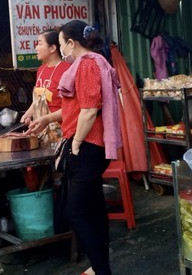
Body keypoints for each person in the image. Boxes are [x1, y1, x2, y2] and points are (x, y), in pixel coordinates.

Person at [27, 20, 122, 275]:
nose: (60, 48)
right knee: (93, 208)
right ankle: (98, 267)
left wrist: (76, 143)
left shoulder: (88, 63)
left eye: (60, 44)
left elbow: (90, 110)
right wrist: (46, 119)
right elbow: (75, 108)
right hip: (90, 146)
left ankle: (102, 270)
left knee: (76, 213)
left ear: (71, 43)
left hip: (88, 146)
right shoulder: (87, 63)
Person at [20, 30, 71, 148]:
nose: (36, 48)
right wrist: (28, 114)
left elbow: (71, 108)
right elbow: (38, 100)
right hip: (41, 132)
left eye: (40, 43)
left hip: (61, 132)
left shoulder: (67, 70)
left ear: (53, 48)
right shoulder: (41, 70)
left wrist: (47, 119)